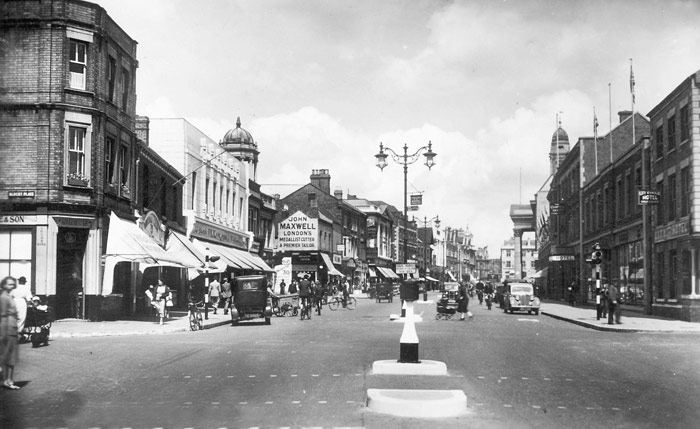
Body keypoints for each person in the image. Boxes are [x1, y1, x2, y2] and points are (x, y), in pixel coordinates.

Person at [0, 276, 21, 389]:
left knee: (11, 356)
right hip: (7, 328)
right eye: (9, 284)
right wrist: (2, 333)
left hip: (13, 327)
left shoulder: (10, 296)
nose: (12, 286)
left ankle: (9, 380)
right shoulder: (3, 298)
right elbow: (3, 316)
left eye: (13, 284)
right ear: (3, 285)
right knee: (7, 355)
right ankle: (7, 380)